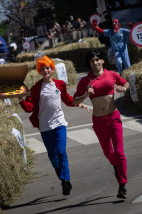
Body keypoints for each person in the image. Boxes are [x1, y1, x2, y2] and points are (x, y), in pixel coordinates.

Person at [18, 54, 89, 196]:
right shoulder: (36, 88)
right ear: (40, 71)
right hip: (45, 126)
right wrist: (21, 99)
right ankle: (61, 175)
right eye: (43, 69)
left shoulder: (60, 84)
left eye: (48, 68)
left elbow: (67, 99)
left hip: (59, 123)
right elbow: (29, 108)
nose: (46, 71)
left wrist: (79, 104)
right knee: (52, 156)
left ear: (52, 69)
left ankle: (66, 180)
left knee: (61, 151)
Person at [72, 49, 129, 199]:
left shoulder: (111, 75)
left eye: (97, 60)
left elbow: (126, 83)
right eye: (92, 61)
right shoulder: (86, 81)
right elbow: (74, 101)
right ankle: (115, 166)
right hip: (98, 121)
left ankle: (122, 185)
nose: (95, 63)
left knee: (119, 152)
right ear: (89, 64)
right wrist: (86, 94)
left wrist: (123, 88)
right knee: (109, 153)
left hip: (114, 118)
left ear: (102, 60)